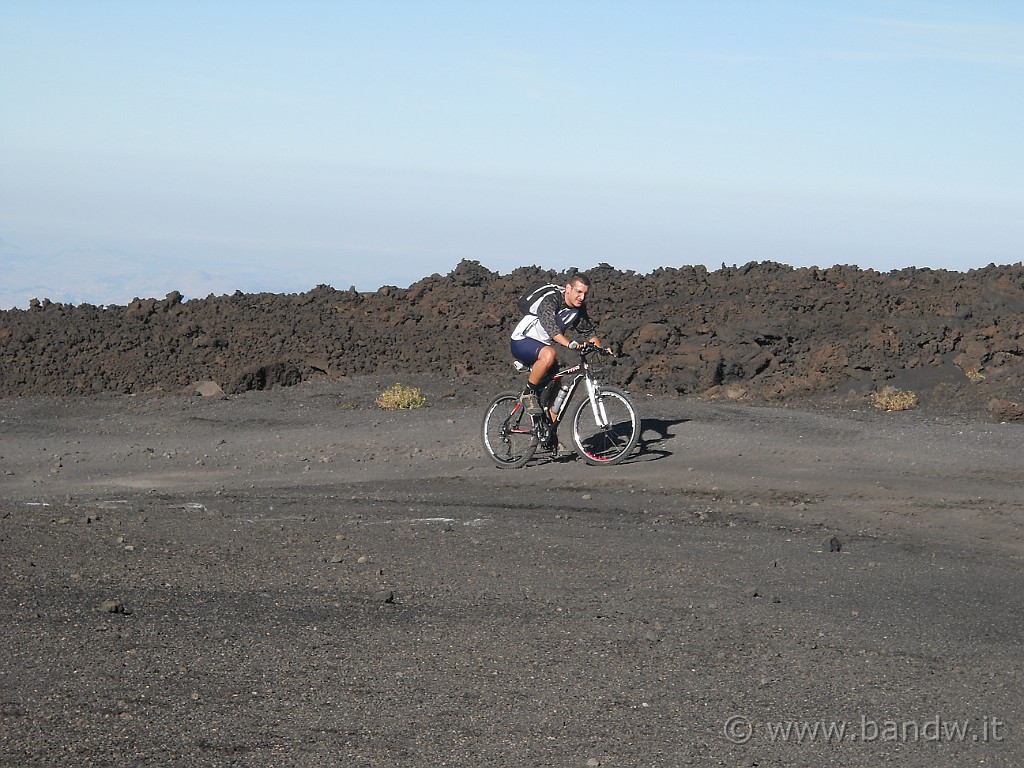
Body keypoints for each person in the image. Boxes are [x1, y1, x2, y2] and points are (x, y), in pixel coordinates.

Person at [510, 272, 603, 415]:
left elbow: (589, 333)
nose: (582, 297)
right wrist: (569, 344)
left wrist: (601, 349)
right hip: (521, 341)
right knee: (550, 353)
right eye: (578, 292)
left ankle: (550, 435)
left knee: (557, 391)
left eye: (585, 293)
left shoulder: (578, 309)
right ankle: (527, 394)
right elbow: (551, 328)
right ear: (568, 288)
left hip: (542, 347)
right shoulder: (552, 299)